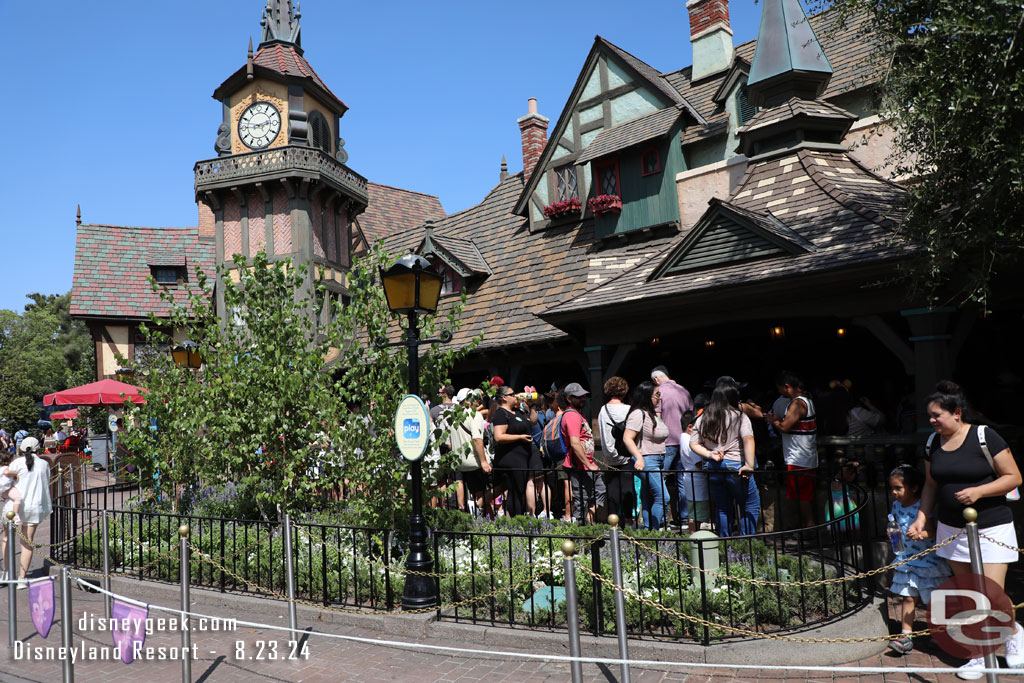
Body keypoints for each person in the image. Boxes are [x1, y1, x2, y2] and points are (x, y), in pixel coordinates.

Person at [908, 381, 1023, 678]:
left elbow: (1013, 477)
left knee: (991, 594)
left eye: (937, 415)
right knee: (970, 593)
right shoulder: (933, 443)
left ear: (957, 412)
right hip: (952, 528)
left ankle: (1013, 634)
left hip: (991, 527)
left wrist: (980, 492)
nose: (932, 421)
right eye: (930, 416)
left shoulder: (985, 437)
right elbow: (931, 484)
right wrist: (921, 518)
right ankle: (980, 655)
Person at [887, 464, 950, 655]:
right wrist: (892, 532)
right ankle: (906, 635)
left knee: (933, 600)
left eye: (899, 488)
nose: (894, 492)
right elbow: (895, 524)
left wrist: (921, 534)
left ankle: (939, 633)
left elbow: (932, 531)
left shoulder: (923, 506)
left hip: (927, 560)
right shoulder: (896, 505)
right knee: (908, 596)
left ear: (913, 488)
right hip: (907, 558)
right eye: (892, 488)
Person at [690, 383, 760, 536]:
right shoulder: (739, 416)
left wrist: (710, 454)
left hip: (713, 467)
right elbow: (748, 439)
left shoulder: (703, 417)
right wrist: (749, 465)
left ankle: (724, 546)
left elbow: (693, 443)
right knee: (749, 505)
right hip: (736, 466)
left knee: (722, 507)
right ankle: (747, 546)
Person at [767, 371, 818, 529]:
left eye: (780, 389)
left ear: (787, 387)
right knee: (804, 496)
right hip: (804, 457)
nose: (780, 393)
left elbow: (785, 427)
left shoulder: (797, 403)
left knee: (803, 497)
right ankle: (806, 526)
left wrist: (774, 420)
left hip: (799, 458)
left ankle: (808, 527)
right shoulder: (806, 400)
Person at [0, 437, 51, 587]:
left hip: (12, 507)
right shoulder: (44, 464)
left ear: (21, 448)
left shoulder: (16, 462)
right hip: (34, 507)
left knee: (6, 539)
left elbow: (6, 480)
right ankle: (22, 578)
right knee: (27, 542)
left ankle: (7, 573)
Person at [622, 381, 670, 530]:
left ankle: (648, 532)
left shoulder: (652, 414)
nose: (659, 398)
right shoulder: (638, 414)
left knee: (648, 497)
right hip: (647, 460)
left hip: (658, 460)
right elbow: (627, 438)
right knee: (663, 497)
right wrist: (640, 457)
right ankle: (654, 533)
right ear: (647, 396)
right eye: (657, 394)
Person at [651, 366, 693, 530]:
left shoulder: (658, 392)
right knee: (683, 480)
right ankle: (684, 518)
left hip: (666, 441)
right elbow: (691, 415)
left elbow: (658, 417)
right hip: (683, 440)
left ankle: (661, 520)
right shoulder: (684, 391)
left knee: (660, 479)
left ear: (656, 379)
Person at [560, 383, 604, 524]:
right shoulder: (572, 416)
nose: (583, 398)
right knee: (582, 500)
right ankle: (582, 530)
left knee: (599, 490)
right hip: (579, 466)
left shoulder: (578, 415)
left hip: (586, 464)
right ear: (569, 399)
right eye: (578, 397)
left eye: (584, 396)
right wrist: (587, 464)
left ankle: (588, 519)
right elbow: (575, 443)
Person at [596, 376, 635, 524]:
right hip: (626, 456)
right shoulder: (629, 410)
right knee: (628, 490)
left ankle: (613, 524)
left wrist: (610, 452)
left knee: (612, 493)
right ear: (624, 391)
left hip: (609, 457)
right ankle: (629, 521)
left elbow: (603, 434)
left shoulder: (602, 410)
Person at [491, 386, 533, 517]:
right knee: (515, 490)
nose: (516, 396)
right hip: (510, 459)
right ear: (504, 397)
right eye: (513, 394)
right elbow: (499, 436)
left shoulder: (517, 411)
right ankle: (515, 521)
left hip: (522, 458)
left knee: (518, 490)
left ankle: (516, 519)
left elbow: (533, 421)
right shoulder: (501, 413)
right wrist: (519, 437)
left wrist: (531, 407)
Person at [450, 389, 493, 517]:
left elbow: (449, 442)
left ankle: (490, 521)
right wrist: (484, 461)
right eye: (475, 399)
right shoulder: (475, 415)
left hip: (461, 463)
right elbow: (477, 439)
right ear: (468, 401)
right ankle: (475, 505)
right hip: (476, 462)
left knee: (479, 492)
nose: (477, 402)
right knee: (506, 481)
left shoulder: (453, 417)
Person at [678, 410, 710, 533]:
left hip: (691, 479)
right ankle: (694, 536)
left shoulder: (683, 437)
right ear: (690, 427)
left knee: (694, 511)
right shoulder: (690, 440)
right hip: (696, 479)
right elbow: (698, 463)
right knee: (697, 513)